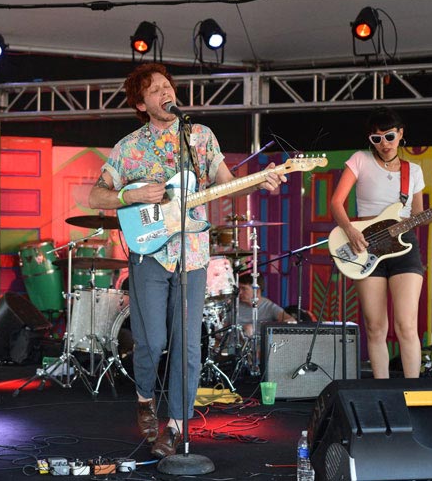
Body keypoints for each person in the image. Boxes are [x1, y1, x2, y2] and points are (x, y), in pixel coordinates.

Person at [89, 63, 285, 458]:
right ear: (141, 103)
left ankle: (176, 426)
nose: (165, 92)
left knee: (187, 344)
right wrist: (130, 197)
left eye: (168, 86)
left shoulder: (199, 136)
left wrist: (259, 180)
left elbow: (225, 182)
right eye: (155, 89)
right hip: (149, 253)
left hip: (193, 252)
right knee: (152, 340)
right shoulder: (129, 147)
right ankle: (145, 399)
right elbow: (96, 197)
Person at [329, 107, 425, 379]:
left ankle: (413, 390)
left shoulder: (413, 170)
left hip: (404, 246)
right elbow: (336, 202)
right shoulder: (359, 159)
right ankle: (381, 390)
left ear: (401, 134)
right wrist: (349, 230)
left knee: (406, 325)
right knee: (375, 326)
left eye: (390, 136)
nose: (384, 144)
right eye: (377, 139)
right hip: (365, 244)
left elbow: (418, 216)